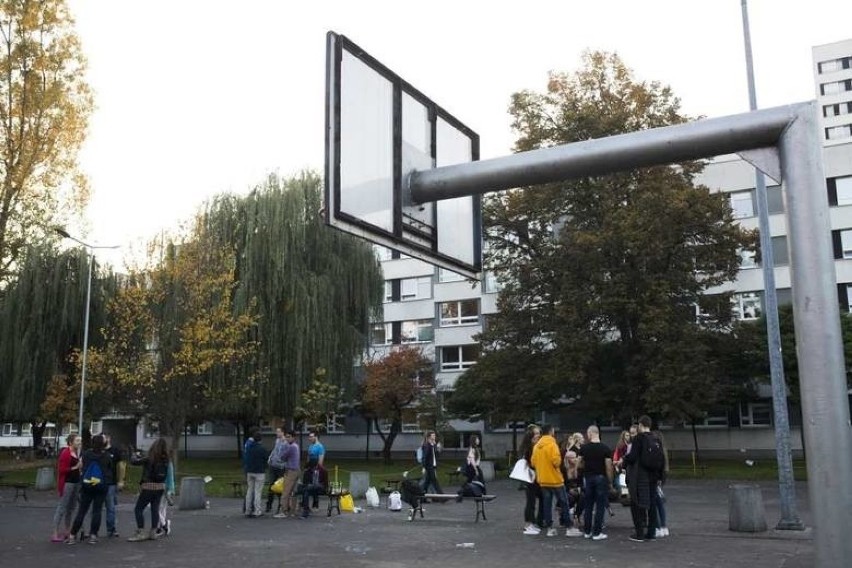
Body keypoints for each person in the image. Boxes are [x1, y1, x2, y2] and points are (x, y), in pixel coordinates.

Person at [531, 424, 582, 537]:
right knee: (564, 502)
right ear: (551, 431)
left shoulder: (537, 446)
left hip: (543, 479)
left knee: (547, 504)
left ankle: (550, 528)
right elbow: (556, 462)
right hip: (555, 479)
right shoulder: (552, 444)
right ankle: (569, 526)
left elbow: (533, 462)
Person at [67, 433, 113, 545]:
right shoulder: (107, 456)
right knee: (97, 511)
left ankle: (72, 535)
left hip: (87, 485)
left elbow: (81, 465)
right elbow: (110, 469)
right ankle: (93, 535)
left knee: (82, 510)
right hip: (101, 485)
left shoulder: (87, 454)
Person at [622, 415, 660, 542]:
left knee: (637, 503)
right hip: (653, 476)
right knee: (652, 504)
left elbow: (632, 457)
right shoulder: (656, 438)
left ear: (641, 425)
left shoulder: (639, 439)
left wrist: (624, 460)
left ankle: (639, 533)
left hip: (641, 476)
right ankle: (652, 533)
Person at [127, 438, 170, 542]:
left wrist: (132, 453)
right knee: (155, 509)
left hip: (148, 487)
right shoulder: (166, 459)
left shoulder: (150, 458)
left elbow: (134, 462)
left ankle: (141, 532)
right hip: (160, 487)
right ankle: (153, 532)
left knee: (138, 509)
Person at [577, 425, 613, 540]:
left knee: (588, 505)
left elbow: (579, 464)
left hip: (588, 478)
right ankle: (597, 533)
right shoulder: (605, 448)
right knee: (600, 506)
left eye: (588, 433)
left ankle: (587, 531)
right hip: (601, 478)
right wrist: (610, 481)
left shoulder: (584, 448)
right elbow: (608, 467)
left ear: (591, 433)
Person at [51, 434, 82, 543]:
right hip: (67, 483)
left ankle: (67, 531)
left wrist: (79, 469)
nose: (79, 443)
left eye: (80, 441)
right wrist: (75, 467)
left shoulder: (76, 453)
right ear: (71, 442)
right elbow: (62, 469)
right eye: (77, 441)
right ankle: (55, 532)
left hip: (76, 482)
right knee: (62, 507)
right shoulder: (66, 453)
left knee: (71, 508)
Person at [520, 425, 543, 535]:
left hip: (535, 477)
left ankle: (533, 522)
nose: (539, 435)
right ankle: (528, 524)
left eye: (539, 433)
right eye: (537, 433)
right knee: (531, 501)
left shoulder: (534, 446)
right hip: (531, 477)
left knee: (535, 500)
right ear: (531, 435)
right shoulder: (529, 447)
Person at [103, 432, 126, 538]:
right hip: (98, 482)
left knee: (110, 507)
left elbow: (121, 465)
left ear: (108, 438)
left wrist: (121, 480)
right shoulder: (97, 451)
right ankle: (93, 530)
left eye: (104, 438)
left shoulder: (115, 451)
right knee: (96, 507)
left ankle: (111, 529)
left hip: (111, 482)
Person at [274, 430, 301, 517]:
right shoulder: (296, 446)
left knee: (286, 492)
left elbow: (282, 457)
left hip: (291, 471)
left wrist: (283, 446)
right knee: (294, 491)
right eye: (286, 437)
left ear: (293, 437)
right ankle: (293, 510)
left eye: (289, 437)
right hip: (296, 470)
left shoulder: (291, 447)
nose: (287, 439)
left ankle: (284, 511)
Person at [243, 429, 268, 517]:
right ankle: (257, 510)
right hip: (259, 472)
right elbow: (266, 460)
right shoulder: (262, 449)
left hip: (249, 471)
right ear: (260, 439)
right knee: (257, 492)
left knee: (249, 491)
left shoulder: (249, 447)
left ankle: (247, 510)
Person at [652, 430, 670, 538]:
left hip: (655, 479)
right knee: (660, 504)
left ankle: (658, 527)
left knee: (655, 504)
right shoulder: (663, 451)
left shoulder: (656, 451)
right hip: (660, 479)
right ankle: (663, 526)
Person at [265, 427, 288, 514]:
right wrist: (270, 458)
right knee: (271, 485)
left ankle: (281, 504)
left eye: (278, 432)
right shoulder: (277, 441)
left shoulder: (286, 443)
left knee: (279, 486)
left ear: (283, 433)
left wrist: (283, 462)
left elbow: (285, 455)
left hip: (281, 466)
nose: (277, 433)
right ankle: (269, 504)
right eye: (276, 432)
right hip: (273, 465)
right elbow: (274, 450)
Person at [419, 431, 443, 495]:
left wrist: (438, 449)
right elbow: (425, 457)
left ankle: (421, 495)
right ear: (429, 437)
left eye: (434, 435)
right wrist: (424, 467)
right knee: (435, 481)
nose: (434, 436)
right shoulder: (426, 445)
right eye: (433, 435)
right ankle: (442, 496)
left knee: (427, 482)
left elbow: (436, 455)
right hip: (429, 466)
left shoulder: (433, 445)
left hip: (433, 465)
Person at [306, 430, 325, 508]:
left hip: (316, 468)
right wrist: (306, 467)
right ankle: (306, 503)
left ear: (316, 437)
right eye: (309, 437)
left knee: (315, 486)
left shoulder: (320, 447)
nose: (309, 438)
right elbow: (308, 457)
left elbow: (321, 459)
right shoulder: (310, 446)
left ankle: (315, 503)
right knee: (308, 485)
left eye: (311, 436)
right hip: (309, 468)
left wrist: (317, 468)